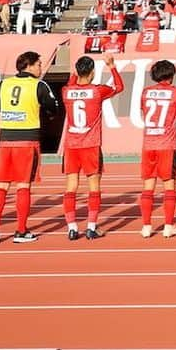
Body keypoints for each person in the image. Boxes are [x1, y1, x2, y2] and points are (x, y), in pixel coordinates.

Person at [0, 51, 57, 244]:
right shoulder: (38, 85)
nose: (40, 68)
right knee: (23, 185)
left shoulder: (5, 83)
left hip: (6, 139)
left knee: (1, 186)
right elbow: (53, 107)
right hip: (27, 139)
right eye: (39, 64)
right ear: (30, 66)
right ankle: (20, 230)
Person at [61, 55, 125, 240]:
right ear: (92, 72)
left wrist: (74, 75)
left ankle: (72, 227)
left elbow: (71, 83)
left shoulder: (66, 91)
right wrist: (112, 67)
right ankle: (91, 227)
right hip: (90, 145)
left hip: (71, 145)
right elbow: (119, 87)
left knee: (71, 186)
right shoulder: (97, 90)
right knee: (94, 187)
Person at [139, 59, 176, 238]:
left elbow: (143, 113)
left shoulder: (146, 92)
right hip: (167, 145)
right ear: (171, 75)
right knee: (169, 186)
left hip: (148, 144)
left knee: (148, 186)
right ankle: (168, 226)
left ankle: (146, 226)